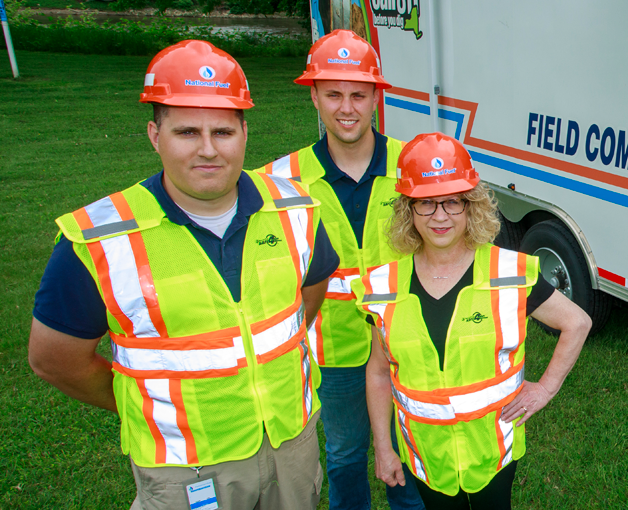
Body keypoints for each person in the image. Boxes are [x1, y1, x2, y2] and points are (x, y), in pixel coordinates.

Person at [28, 40, 341, 510]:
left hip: (289, 446)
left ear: (245, 132)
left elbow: (309, 293)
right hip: (186, 467)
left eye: (223, 131)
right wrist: (147, 400)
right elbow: (54, 360)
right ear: (155, 134)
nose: (209, 150)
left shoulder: (294, 208)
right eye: (188, 132)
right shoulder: (99, 240)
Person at [353, 132, 592, 510]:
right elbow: (379, 372)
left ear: (471, 206)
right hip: (425, 455)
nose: (440, 216)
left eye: (452, 202)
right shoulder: (382, 287)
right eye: (426, 204)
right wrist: (384, 449)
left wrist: (544, 389)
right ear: (407, 211)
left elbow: (577, 323)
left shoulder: (509, 273)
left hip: (492, 452)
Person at [254, 29, 425, 510]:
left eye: (358, 94)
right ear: (314, 97)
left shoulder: (414, 165)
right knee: (346, 455)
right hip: (331, 351)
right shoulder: (278, 181)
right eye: (333, 94)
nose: (346, 107)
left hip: (407, 343)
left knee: (410, 453)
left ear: (376, 97)